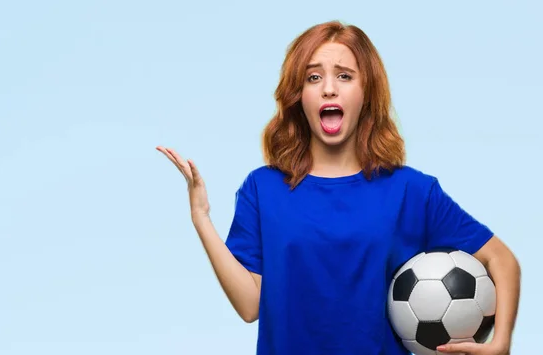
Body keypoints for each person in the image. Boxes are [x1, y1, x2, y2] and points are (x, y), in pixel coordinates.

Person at [156, 21, 521, 355]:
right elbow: (250, 305)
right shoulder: (262, 188)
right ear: (299, 95)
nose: (328, 88)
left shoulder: (411, 190)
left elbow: (502, 260)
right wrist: (201, 217)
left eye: (344, 76)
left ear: (366, 92)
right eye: (313, 78)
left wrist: (501, 342)